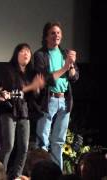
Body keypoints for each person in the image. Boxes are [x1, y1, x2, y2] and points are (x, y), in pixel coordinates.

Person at [34, 21, 79, 170]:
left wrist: (71, 66)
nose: (56, 35)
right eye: (52, 33)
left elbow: (74, 77)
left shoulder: (65, 53)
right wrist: (65, 67)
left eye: (58, 33)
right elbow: (45, 79)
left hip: (64, 100)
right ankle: (41, 173)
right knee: (43, 141)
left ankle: (56, 174)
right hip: (49, 100)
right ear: (46, 36)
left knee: (59, 141)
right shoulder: (40, 54)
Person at [0, 43, 44, 179]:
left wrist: (36, 89)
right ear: (16, 54)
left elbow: (34, 97)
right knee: (9, 146)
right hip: (9, 110)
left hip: (24, 111)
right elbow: (13, 90)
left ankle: (16, 175)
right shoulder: (8, 69)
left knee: (24, 147)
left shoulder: (31, 73)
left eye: (28, 52)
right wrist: (31, 86)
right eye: (23, 51)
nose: (26, 54)